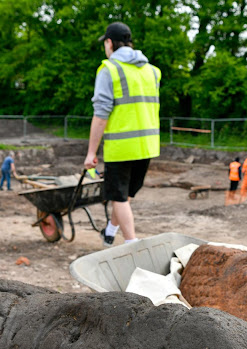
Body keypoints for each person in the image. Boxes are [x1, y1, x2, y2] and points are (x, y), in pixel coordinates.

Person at [84, 22, 161, 247]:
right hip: (147, 146)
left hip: (121, 147)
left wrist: (91, 153)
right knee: (125, 196)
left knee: (118, 197)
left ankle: (131, 245)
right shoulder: (152, 71)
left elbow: (101, 114)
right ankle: (110, 231)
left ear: (109, 43)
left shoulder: (110, 69)